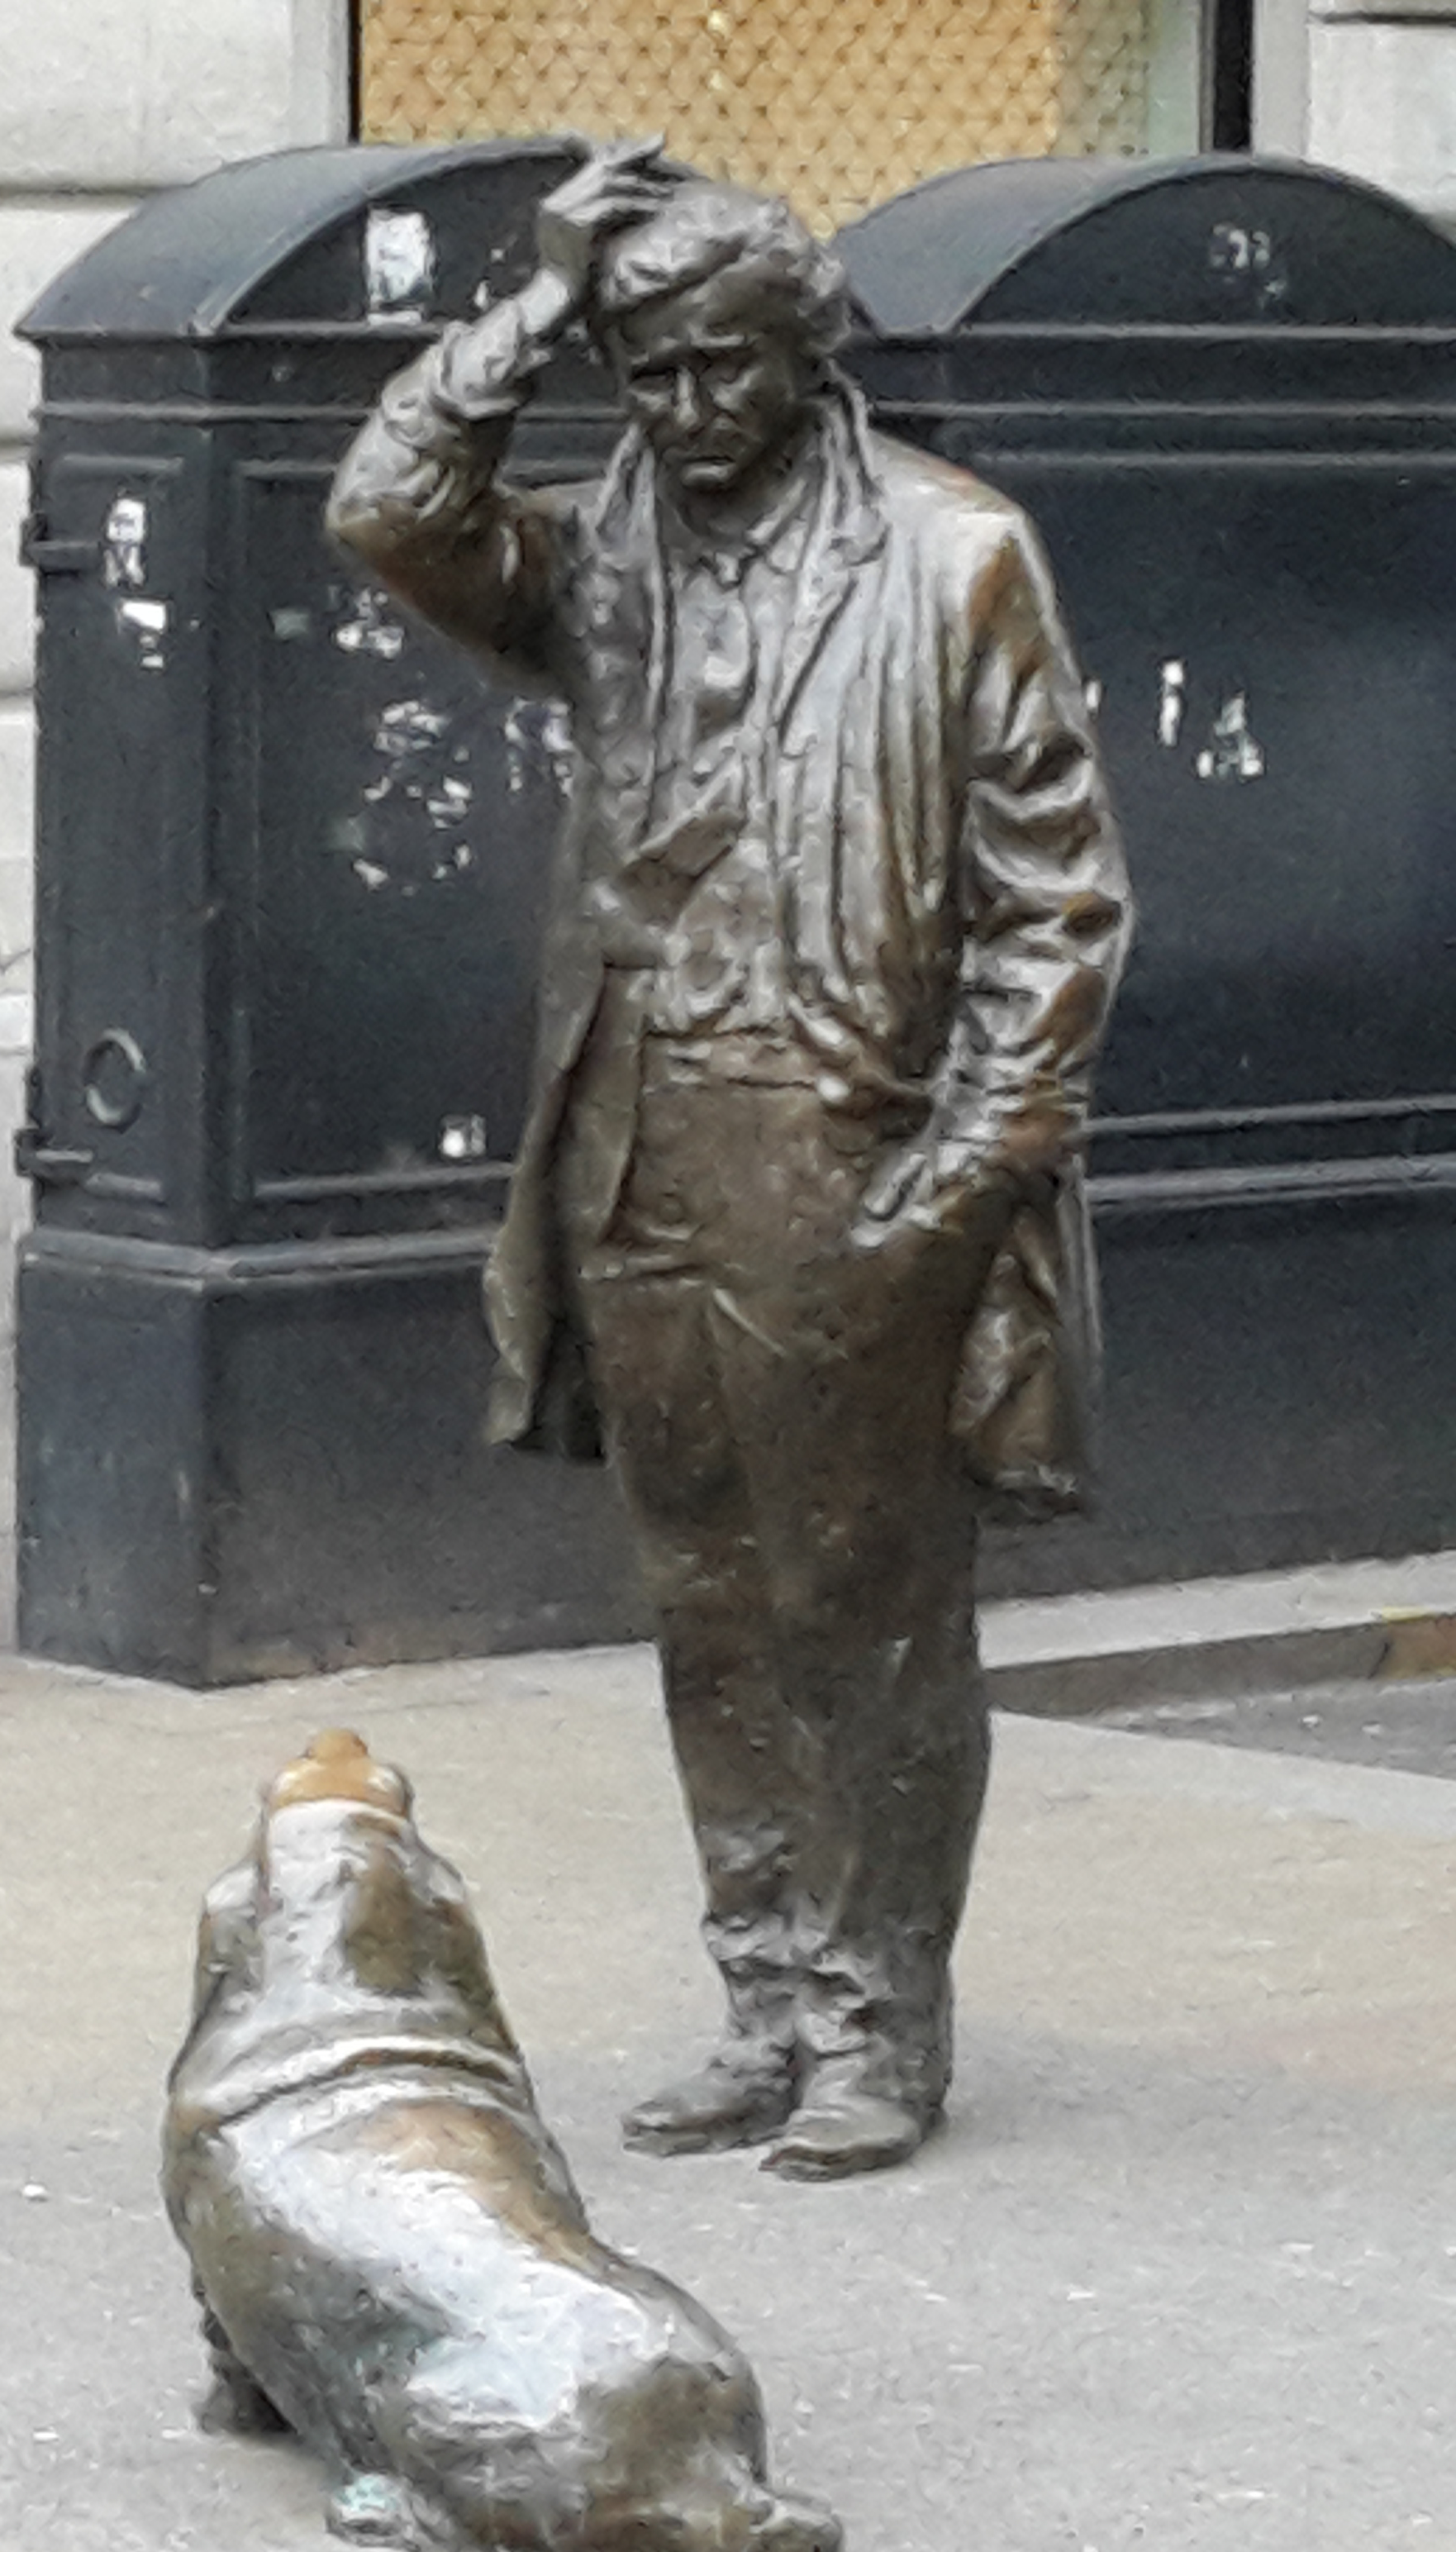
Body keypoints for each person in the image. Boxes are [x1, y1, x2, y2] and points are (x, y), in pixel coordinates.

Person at [328, 142, 1130, 2180]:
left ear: (804, 356)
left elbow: (1057, 903)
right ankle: (765, 1985)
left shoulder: (953, 559)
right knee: (705, 1595)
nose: (679, 414)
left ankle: (880, 2019)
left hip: (848, 1145)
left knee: (864, 1603)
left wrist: (962, 1174)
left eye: (712, 371)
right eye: (644, 375)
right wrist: (532, 304)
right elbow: (385, 512)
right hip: (636, 1138)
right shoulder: (605, 551)